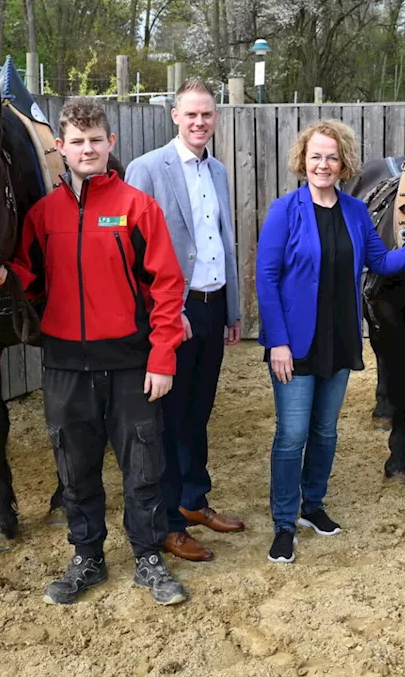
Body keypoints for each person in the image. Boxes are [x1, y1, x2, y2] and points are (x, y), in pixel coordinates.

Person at [0, 98, 189, 605]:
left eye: (95, 140)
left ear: (110, 144)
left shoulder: (137, 207)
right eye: (77, 141)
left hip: (131, 365)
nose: (87, 149)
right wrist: (5, 276)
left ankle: (148, 557)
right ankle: (88, 558)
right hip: (64, 366)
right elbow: (30, 277)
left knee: (143, 469)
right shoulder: (42, 215)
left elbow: (167, 285)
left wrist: (162, 357)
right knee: (75, 472)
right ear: (61, 148)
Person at [255, 120, 405, 564]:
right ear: (303, 160)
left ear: (344, 164)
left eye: (332, 157)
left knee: (325, 430)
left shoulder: (356, 212)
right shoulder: (285, 210)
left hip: (339, 337)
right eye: (316, 156)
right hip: (294, 345)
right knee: (291, 435)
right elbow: (266, 277)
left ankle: (313, 506)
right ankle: (284, 523)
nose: (323, 164)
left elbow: (382, 261)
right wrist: (277, 342)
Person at [125, 79, 245, 563]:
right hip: (173, 311)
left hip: (212, 307)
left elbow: (222, 241)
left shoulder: (217, 170)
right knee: (170, 418)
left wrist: (232, 308)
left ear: (215, 119)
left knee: (199, 412)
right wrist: (168, 313)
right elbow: (130, 252)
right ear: (174, 116)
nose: (199, 123)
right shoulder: (148, 168)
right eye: (191, 114)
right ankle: (171, 522)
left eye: (207, 115)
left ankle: (195, 500)